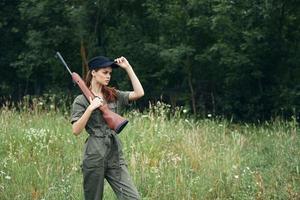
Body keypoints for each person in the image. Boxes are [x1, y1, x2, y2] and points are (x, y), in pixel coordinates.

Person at [70, 55, 144, 200]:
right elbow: (76, 130)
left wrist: (128, 68)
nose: (108, 76)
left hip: (114, 153)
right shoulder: (81, 100)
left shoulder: (112, 95)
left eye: (110, 73)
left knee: (133, 198)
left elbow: (139, 93)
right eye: (105, 72)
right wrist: (90, 108)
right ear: (93, 72)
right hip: (94, 154)